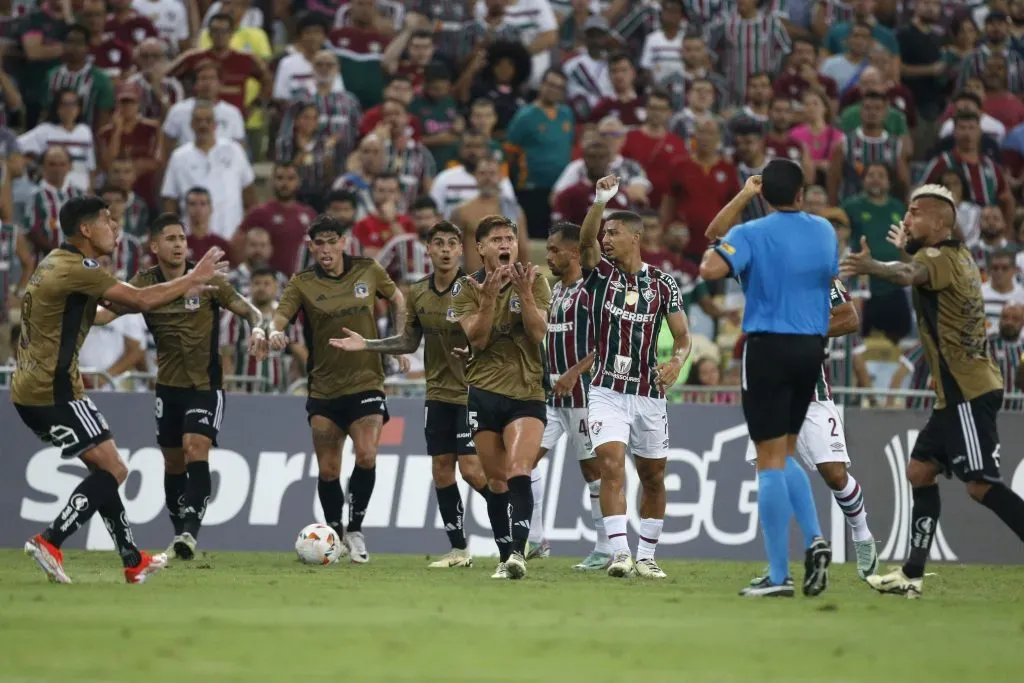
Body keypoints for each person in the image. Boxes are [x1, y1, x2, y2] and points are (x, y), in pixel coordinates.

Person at [13, 195, 227, 583]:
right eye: (107, 221)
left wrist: (139, 299)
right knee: (114, 468)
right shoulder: (82, 268)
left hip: (38, 386)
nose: (115, 228)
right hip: (53, 389)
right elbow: (142, 298)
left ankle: (132, 560)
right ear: (85, 229)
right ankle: (50, 539)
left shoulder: (55, 264)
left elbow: (100, 312)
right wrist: (192, 280)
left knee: (104, 469)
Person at [840, 184, 1024, 597]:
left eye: (915, 212)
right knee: (920, 471)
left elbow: (910, 274)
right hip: (954, 395)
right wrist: (905, 250)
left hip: (968, 392)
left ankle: (913, 572)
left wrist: (873, 265)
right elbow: (919, 269)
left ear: (941, 223)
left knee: (979, 486)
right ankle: (912, 573)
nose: (907, 217)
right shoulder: (950, 256)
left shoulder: (938, 257)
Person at [699, 160, 838, 598]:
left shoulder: (750, 233)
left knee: (768, 458)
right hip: (811, 349)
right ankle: (815, 538)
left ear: (762, 194)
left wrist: (743, 200)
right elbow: (826, 275)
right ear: (801, 192)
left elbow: (709, 268)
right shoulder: (825, 231)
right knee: (787, 449)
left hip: (767, 347)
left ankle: (778, 576)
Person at [94, 213, 261, 559]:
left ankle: (188, 533)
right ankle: (178, 532)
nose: (179, 245)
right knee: (173, 464)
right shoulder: (144, 283)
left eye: (182, 239)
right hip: (167, 387)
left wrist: (260, 328)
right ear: (154, 246)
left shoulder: (209, 281)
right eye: (170, 239)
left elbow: (249, 311)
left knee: (194, 448)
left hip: (205, 385)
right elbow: (107, 313)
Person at [331, 220, 492, 568]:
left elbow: (487, 338)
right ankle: (459, 550)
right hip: (436, 395)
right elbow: (408, 341)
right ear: (429, 250)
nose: (446, 249)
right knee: (442, 472)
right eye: (439, 243)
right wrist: (368, 345)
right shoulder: (418, 292)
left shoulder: (474, 289)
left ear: (460, 250)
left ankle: (514, 522)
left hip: (471, 393)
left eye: (452, 243)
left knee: (473, 471)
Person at [254, 215, 405, 564]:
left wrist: (397, 342)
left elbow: (398, 298)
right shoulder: (303, 282)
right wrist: (273, 331)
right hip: (323, 387)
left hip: (366, 380)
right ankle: (335, 531)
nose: (324, 249)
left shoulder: (368, 269)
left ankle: (356, 528)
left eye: (331, 241)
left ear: (343, 242)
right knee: (328, 470)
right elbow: (281, 314)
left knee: (367, 454)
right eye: (317, 243)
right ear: (310, 245)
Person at [576, 177, 691, 580]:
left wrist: (676, 362)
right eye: (605, 232)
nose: (606, 239)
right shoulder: (601, 276)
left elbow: (683, 336)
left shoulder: (663, 284)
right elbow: (585, 242)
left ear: (636, 237)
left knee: (653, 476)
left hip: (648, 395)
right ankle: (620, 554)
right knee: (611, 466)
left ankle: (647, 555)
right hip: (606, 389)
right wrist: (600, 202)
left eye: (614, 232)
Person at [452, 215, 551, 579]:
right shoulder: (465, 289)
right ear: (480, 248)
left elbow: (539, 334)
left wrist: (523, 293)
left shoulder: (535, 281)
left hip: (527, 392)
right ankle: (505, 554)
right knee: (495, 481)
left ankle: (519, 555)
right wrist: (490, 299)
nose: (505, 244)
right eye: (496, 239)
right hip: (483, 393)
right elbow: (477, 339)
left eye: (509, 238)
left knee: (519, 469)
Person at [536, 221, 609, 570]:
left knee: (593, 473)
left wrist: (574, 371)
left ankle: (606, 547)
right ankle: (535, 539)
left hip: (584, 397)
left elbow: (605, 344)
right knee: (522, 463)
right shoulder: (557, 292)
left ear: (574, 252)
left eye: (554, 250)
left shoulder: (590, 291)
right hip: (552, 399)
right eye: (547, 249)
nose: (548, 256)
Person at [160, 101, 256, 240]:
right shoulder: (179, 157)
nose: (203, 125)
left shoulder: (234, 151)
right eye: (198, 120)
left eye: (208, 120)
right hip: (191, 239)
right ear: (191, 124)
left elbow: (250, 196)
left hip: (230, 237)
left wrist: (244, 234)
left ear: (216, 124)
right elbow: (170, 201)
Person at [221, 265, 307, 393]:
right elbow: (225, 354)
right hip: (244, 392)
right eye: (256, 283)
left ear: (276, 287)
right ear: (249, 286)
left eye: (267, 284)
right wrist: (230, 387)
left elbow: (299, 351)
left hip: (279, 393)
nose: (261, 288)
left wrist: (312, 381)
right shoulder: (236, 314)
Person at [987, 303, 1024, 413]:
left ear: (1022, 322)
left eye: (1015, 319)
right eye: (1005, 317)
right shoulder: (987, 345)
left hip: (1020, 414)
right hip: (991, 413)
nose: (1009, 322)